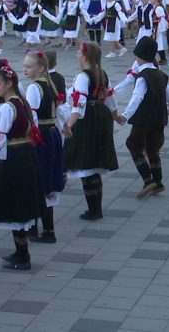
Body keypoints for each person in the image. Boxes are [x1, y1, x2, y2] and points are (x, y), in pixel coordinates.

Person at [0, 63, 44, 271]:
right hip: (26, 155)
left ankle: (23, 257)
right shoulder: (21, 102)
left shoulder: (7, 107)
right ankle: (21, 252)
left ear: (9, 83)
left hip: (13, 159)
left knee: (16, 205)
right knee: (20, 205)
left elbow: (0, 138)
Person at [63, 43, 119, 219]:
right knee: (94, 163)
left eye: (79, 53)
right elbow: (111, 98)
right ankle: (96, 208)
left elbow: (79, 103)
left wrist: (69, 124)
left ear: (85, 57)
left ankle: (94, 210)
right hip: (102, 116)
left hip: (88, 119)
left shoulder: (82, 76)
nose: (77, 56)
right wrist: (116, 116)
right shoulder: (102, 73)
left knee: (86, 162)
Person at [116, 37, 169, 196]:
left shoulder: (143, 76)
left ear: (140, 57)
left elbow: (137, 97)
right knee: (153, 149)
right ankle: (158, 182)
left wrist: (125, 115)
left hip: (144, 119)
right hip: (159, 119)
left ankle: (148, 179)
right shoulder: (162, 75)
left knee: (133, 144)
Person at [23, 52, 65, 243]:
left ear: (41, 68)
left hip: (41, 136)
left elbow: (32, 116)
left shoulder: (34, 87)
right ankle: (48, 229)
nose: (25, 69)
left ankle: (35, 228)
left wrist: (29, 138)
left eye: (29, 66)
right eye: (24, 66)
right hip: (51, 134)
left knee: (37, 178)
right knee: (45, 178)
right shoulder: (49, 84)